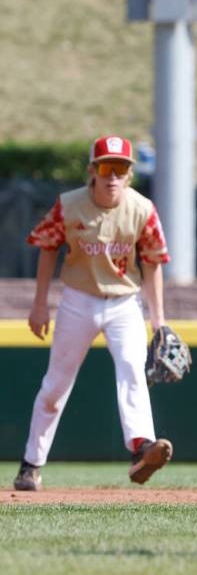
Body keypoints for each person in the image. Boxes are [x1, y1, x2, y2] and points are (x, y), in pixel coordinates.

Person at [13, 136, 174, 491]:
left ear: (130, 174)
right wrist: (39, 304)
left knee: (133, 372)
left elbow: (153, 261)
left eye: (121, 168)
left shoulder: (142, 208)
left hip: (124, 302)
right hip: (78, 299)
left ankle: (141, 450)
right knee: (56, 385)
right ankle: (31, 465)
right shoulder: (69, 205)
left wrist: (158, 319)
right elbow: (46, 247)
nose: (112, 175)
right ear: (92, 171)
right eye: (105, 166)